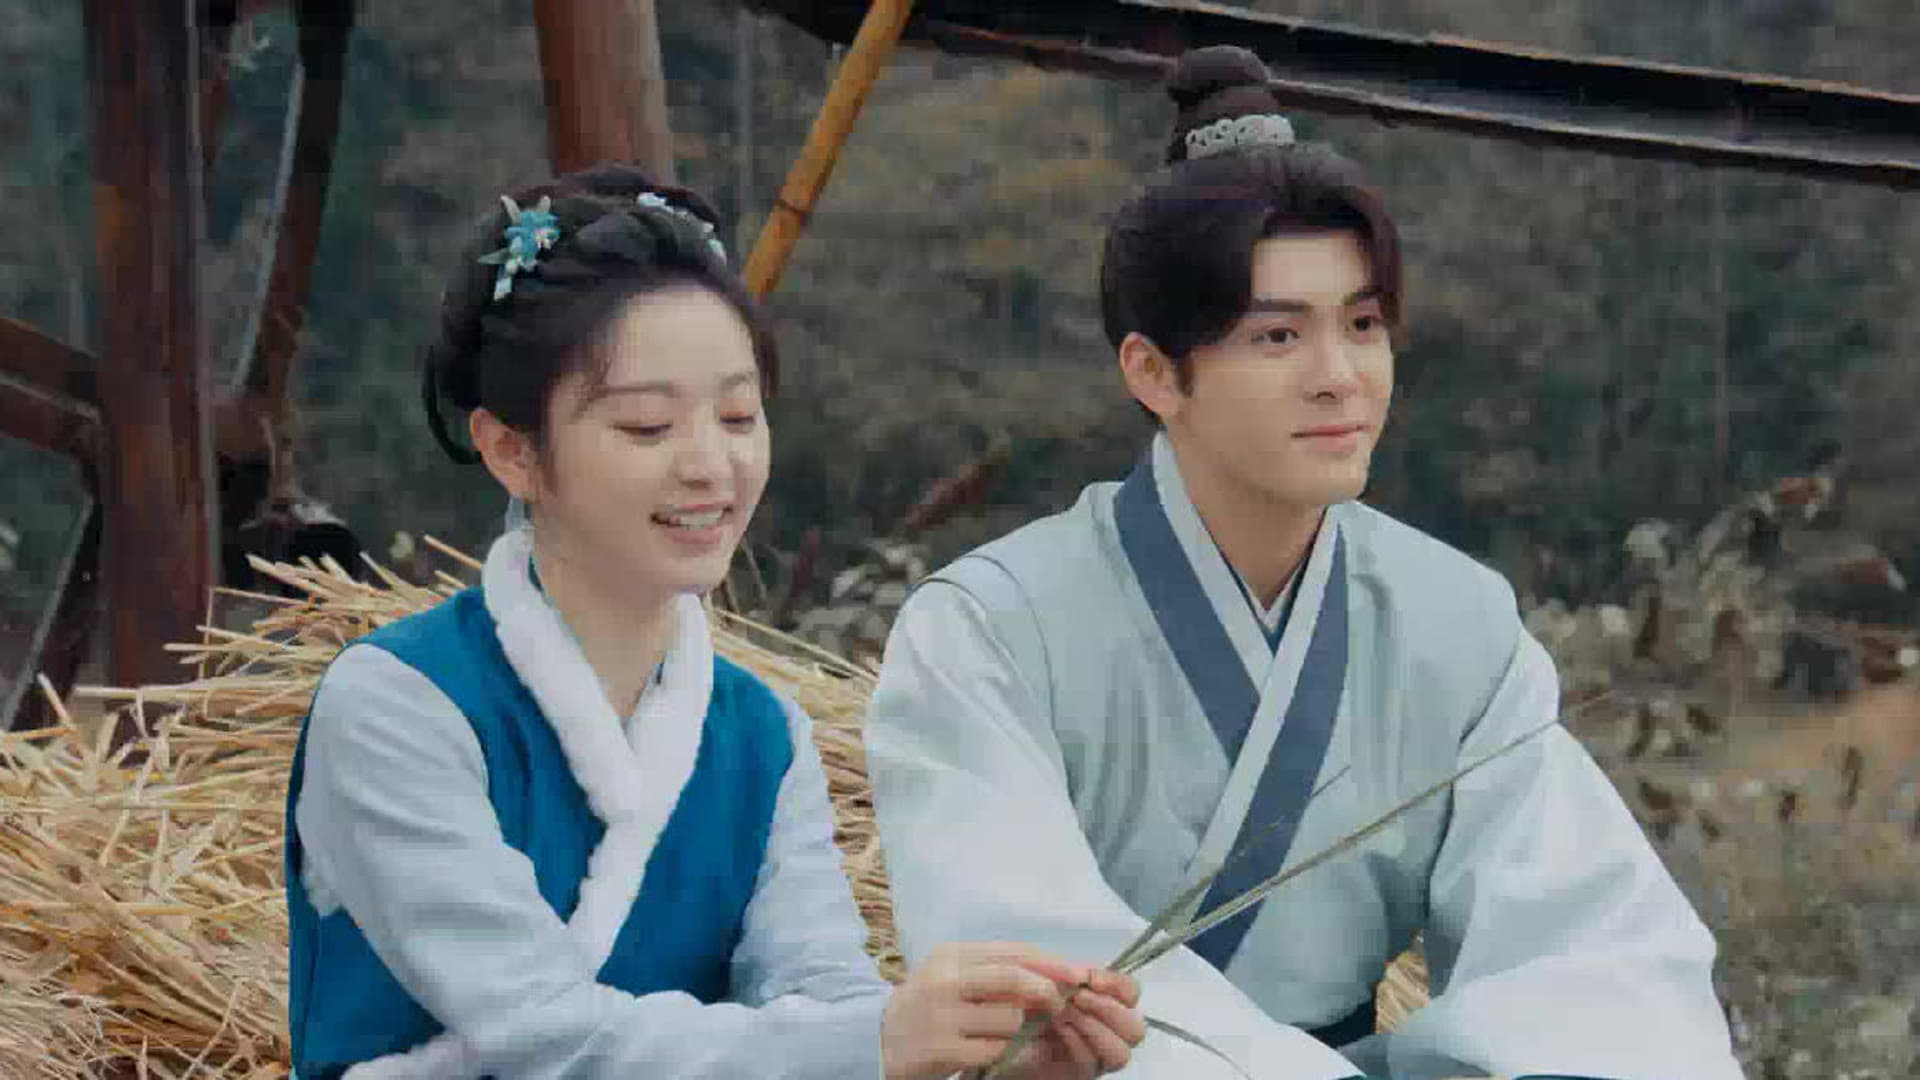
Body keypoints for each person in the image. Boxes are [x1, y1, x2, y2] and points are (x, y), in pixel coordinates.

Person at [862, 47, 1745, 1080]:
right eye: (1278, 337)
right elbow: (1037, 978)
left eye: (1363, 325)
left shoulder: (1456, 626)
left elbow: (1596, 951)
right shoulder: (990, 628)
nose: (1340, 378)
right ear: (1154, 373)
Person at [283, 165, 1145, 1080]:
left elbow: (822, 995)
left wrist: (974, 1054)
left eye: (738, 416)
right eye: (648, 427)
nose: (710, 466)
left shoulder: (762, 734)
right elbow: (544, 1036)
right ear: (512, 450)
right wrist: (877, 1040)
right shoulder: (398, 706)